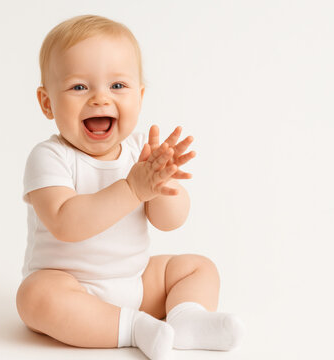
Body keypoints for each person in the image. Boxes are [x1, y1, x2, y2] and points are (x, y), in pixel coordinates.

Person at [16, 14, 245, 360]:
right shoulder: (49, 157)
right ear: (47, 102)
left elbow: (170, 221)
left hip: (135, 281)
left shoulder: (141, 153)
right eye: (79, 87)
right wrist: (134, 189)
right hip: (72, 286)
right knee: (34, 297)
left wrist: (161, 184)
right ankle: (133, 328)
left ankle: (185, 320)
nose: (99, 99)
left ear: (139, 96)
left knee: (198, 267)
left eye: (117, 86)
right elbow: (66, 223)